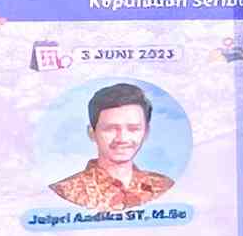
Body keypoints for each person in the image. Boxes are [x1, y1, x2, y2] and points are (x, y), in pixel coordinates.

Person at [47, 82, 173, 211]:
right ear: (92, 133)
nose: (122, 139)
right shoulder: (63, 192)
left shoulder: (164, 187)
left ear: (146, 133)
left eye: (133, 129)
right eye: (110, 129)